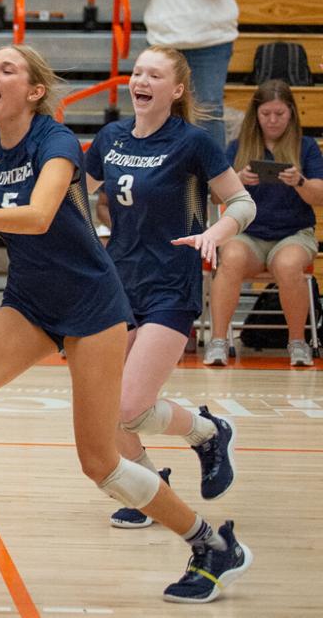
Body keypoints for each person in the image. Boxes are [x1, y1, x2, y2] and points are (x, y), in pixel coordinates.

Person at [0, 44, 252, 606]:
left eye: (6, 69)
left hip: (91, 305)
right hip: (31, 302)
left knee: (101, 463)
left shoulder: (55, 141)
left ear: (34, 92)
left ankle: (210, 544)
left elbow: (38, 215)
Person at [84, 46, 250, 532]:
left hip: (170, 286)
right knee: (105, 410)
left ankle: (207, 431)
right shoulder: (111, 137)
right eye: (137, 72)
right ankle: (149, 493)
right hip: (116, 284)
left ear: (175, 90)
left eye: (154, 74)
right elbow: (72, 192)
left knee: (130, 406)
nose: (141, 79)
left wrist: (214, 235)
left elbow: (242, 202)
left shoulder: (193, 142)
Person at [207, 79, 323, 367]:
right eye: (266, 114)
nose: (272, 120)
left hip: (293, 233)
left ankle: (297, 342)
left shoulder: (306, 147)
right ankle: (218, 340)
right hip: (248, 233)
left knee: (287, 265)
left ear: (292, 114)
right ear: (255, 116)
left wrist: (300, 181)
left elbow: (319, 196)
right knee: (230, 258)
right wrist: (237, 179)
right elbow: (213, 195)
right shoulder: (238, 147)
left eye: (279, 114)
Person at [124, 0, 237, 150]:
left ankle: (213, 175)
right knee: (160, 108)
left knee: (208, 108)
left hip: (210, 44)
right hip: (165, 47)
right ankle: (161, 167)